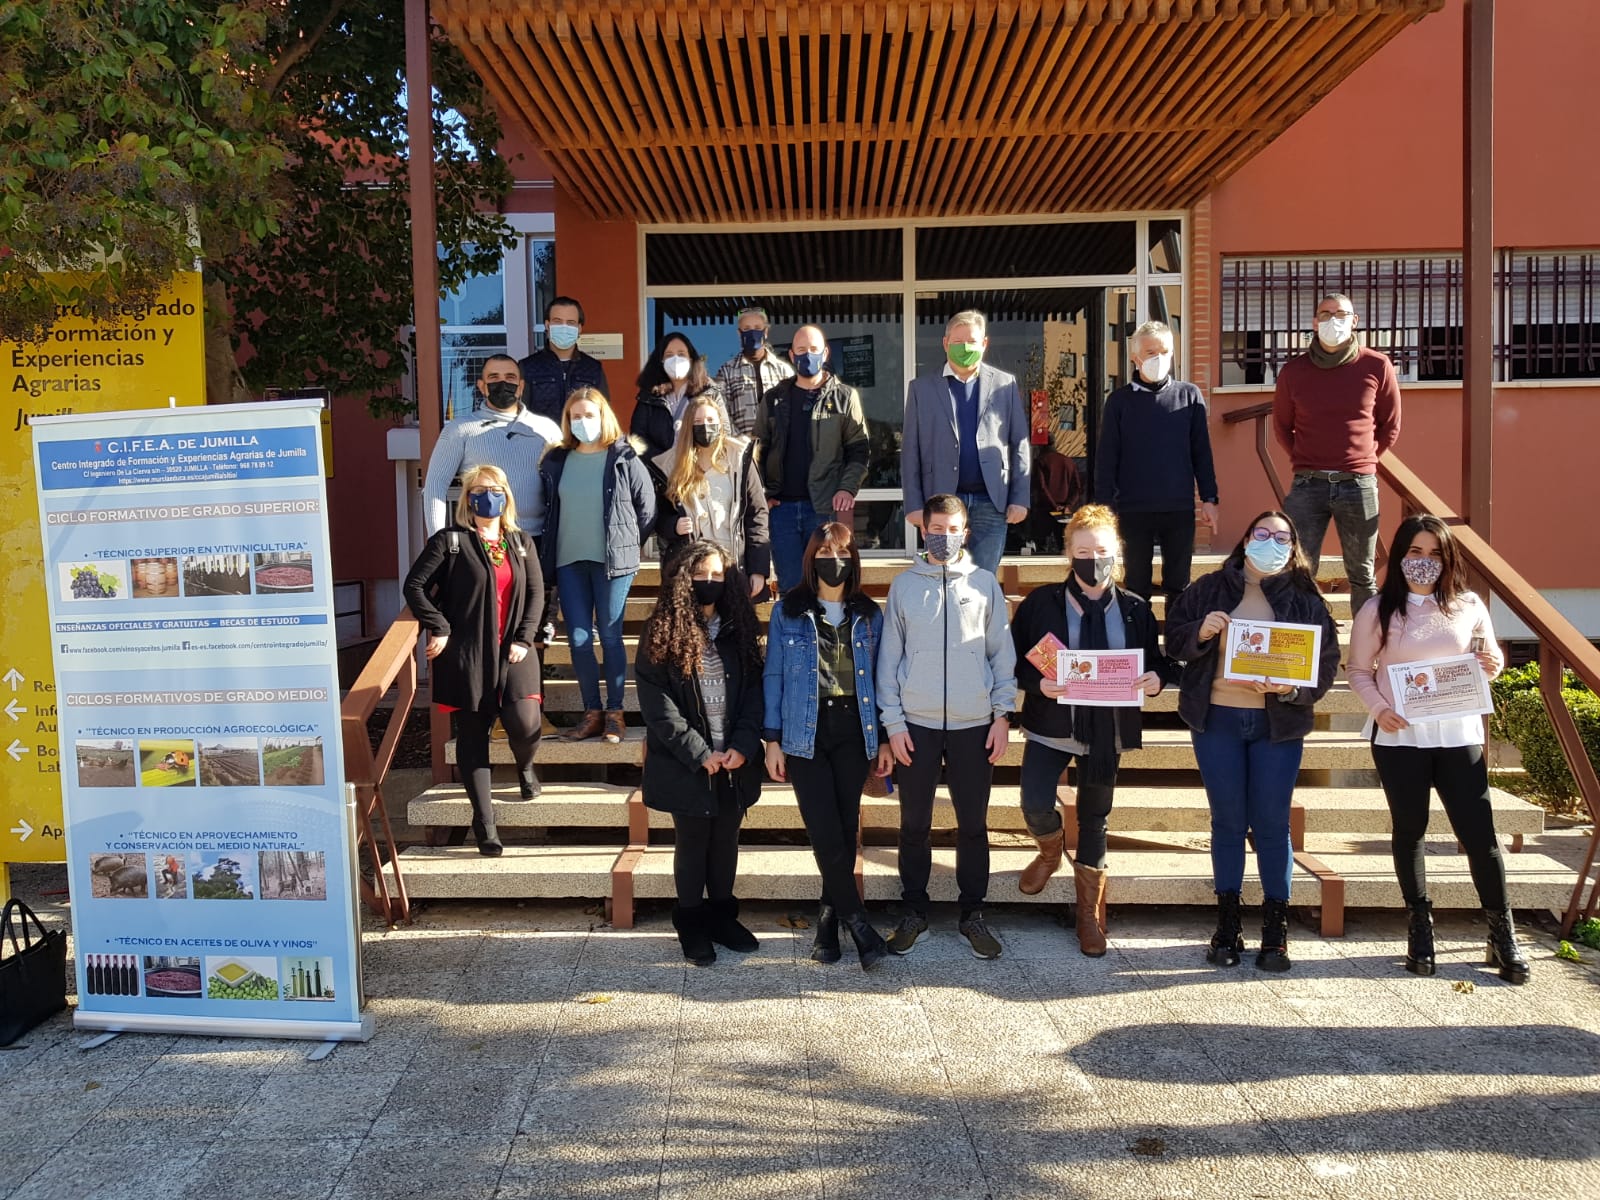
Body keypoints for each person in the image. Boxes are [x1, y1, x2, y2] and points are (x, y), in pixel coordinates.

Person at [1346, 514, 1526, 983]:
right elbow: (1359, 670)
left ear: (1448, 559)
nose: (1424, 562)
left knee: (1480, 836)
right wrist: (1379, 707)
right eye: (1414, 552)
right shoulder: (1377, 610)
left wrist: (1493, 664)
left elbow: (1490, 659)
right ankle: (1420, 929)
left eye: (1434, 554)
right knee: (1411, 830)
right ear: (1400, 556)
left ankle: (1501, 932)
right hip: (1399, 737)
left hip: (1458, 735)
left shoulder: (1468, 604)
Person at [1165, 511, 1340, 972]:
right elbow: (1173, 639)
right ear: (1245, 540)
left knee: (1271, 825)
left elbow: (1324, 665)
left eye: (1281, 537)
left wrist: (1289, 689)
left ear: (1293, 547)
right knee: (1227, 821)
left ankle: (1275, 932)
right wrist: (1200, 633)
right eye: (1262, 533)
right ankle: (1227, 926)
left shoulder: (1306, 598)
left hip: (1276, 727)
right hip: (1217, 719)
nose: (1271, 542)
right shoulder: (1209, 587)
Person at [1009, 505, 1175, 956]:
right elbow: (1013, 661)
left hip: (1107, 731)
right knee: (1033, 800)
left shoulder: (1136, 609)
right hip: (1052, 725)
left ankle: (1087, 915)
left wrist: (1157, 679)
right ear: (1069, 554)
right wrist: (1037, 683)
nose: (1093, 559)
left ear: (1117, 552)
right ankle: (1049, 851)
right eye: (1083, 551)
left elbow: (1156, 662)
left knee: (1095, 820)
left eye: (1101, 550)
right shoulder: (1041, 603)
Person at [877, 494, 1016, 960]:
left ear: (965, 532)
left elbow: (1001, 654)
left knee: (972, 825)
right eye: (936, 526)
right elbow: (888, 660)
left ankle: (972, 913)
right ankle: (914, 910)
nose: (944, 535)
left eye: (953, 528)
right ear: (923, 529)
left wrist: (1002, 715)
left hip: (974, 723)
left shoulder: (984, 585)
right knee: (913, 824)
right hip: (915, 724)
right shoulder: (903, 586)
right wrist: (893, 724)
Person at [762, 523, 892, 970]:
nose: (833, 559)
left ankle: (826, 920)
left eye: (842, 551)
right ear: (811, 558)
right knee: (823, 831)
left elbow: (883, 680)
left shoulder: (870, 615)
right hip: (805, 730)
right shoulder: (788, 611)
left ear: (853, 558)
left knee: (840, 829)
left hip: (855, 730)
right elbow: (774, 675)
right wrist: (772, 739)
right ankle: (859, 925)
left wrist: (885, 737)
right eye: (825, 551)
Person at [636, 539, 765, 966]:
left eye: (717, 575)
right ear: (683, 579)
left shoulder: (739, 629)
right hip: (685, 763)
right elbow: (657, 704)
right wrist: (698, 751)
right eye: (700, 575)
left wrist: (744, 746)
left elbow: (754, 694)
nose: (709, 583)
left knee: (726, 840)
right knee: (692, 843)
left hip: (734, 761)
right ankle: (691, 921)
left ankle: (723, 917)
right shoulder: (661, 631)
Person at [403, 464, 544, 855]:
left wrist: (524, 637)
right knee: (472, 736)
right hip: (468, 654)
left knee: (525, 723)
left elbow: (536, 595)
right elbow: (414, 586)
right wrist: (439, 625)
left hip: (515, 650)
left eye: (495, 489)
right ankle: (485, 822)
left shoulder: (521, 542)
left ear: (506, 495)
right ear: (468, 499)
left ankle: (525, 764)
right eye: (479, 490)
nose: (488, 496)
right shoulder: (450, 541)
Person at [1271, 293, 1402, 613]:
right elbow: (1281, 428)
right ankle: (1301, 647)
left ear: (1354, 321)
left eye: (1341, 314)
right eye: (1325, 314)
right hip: (1307, 485)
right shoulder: (1294, 372)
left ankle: (1365, 648)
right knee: (1298, 573)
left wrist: (1362, 460)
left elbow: (1390, 426)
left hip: (1358, 484)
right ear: (1315, 323)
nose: (1333, 321)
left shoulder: (1377, 365)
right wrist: (1307, 460)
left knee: (1362, 575)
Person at [539, 388, 655, 743]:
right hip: (568, 561)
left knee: (610, 635)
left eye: (589, 415)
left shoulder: (623, 456)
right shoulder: (556, 460)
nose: (583, 422)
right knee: (577, 638)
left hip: (612, 564)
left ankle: (616, 713)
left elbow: (646, 509)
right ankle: (592, 712)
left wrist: (625, 546)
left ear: (604, 416)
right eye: (576, 416)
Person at [1094, 320, 1218, 605]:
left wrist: (1210, 498)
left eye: (1164, 351)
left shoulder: (1189, 396)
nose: (1158, 358)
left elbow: (1202, 452)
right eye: (1150, 352)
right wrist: (1105, 509)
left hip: (1179, 507)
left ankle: (1176, 647)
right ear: (1136, 358)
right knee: (1136, 584)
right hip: (1133, 509)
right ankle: (1141, 646)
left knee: (1179, 582)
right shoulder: (1119, 402)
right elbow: (1106, 459)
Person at [901, 311, 1031, 575]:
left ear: (984, 344)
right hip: (942, 503)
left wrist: (1020, 498)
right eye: (958, 341)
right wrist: (914, 504)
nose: (965, 347)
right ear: (945, 343)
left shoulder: (1005, 385)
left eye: (972, 341)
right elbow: (910, 450)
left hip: (991, 501)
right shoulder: (921, 388)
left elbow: (1020, 443)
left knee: (983, 582)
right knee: (942, 578)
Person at [754, 325, 871, 593]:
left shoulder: (844, 397)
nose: (809, 355)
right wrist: (763, 495)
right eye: (802, 350)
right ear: (792, 356)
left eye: (814, 350)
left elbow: (859, 450)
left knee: (827, 586)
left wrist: (846, 487)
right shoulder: (774, 399)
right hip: (781, 510)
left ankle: (825, 636)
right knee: (791, 587)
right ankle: (795, 636)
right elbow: (757, 453)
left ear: (826, 353)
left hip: (823, 509)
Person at [422, 354, 563, 538]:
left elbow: (565, 485)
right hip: (483, 540)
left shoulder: (547, 429)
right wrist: (437, 541)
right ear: (482, 386)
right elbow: (435, 486)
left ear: (520, 387)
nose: (503, 383)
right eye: (494, 378)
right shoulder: (459, 430)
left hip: (538, 540)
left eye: (510, 378)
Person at [653, 395, 771, 598]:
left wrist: (759, 570)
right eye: (697, 422)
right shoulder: (669, 467)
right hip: (691, 569)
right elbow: (658, 516)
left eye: (710, 421)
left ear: (720, 423)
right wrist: (673, 525)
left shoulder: (740, 460)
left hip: (733, 564)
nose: (705, 426)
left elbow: (757, 515)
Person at [631, 331, 726, 463]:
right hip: (659, 474)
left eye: (681, 354)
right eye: (669, 355)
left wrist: (696, 461)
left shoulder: (709, 392)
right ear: (661, 361)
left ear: (691, 359)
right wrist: (663, 462)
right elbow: (638, 438)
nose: (675, 360)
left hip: (700, 470)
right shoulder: (649, 396)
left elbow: (724, 432)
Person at [517, 296, 610, 425]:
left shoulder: (593, 368)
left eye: (570, 322)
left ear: (579, 328)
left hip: (581, 443)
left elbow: (604, 415)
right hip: (541, 443)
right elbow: (518, 413)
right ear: (547, 325)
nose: (564, 327)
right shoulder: (527, 367)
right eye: (557, 321)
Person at [714, 306, 794, 437]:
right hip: (742, 450)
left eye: (757, 328)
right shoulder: (726, 371)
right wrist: (742, 440)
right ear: (739, 333)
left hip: (778, 449)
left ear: (766, 331)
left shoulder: (784, 371)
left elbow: (793, 410)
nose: (752, 333)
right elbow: (720, 413)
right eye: (746, 329)